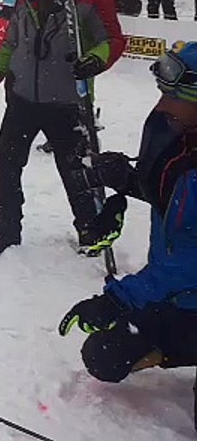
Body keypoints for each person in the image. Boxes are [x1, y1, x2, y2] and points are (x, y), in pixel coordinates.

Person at [0, 0, 125, 256]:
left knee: (76, 172)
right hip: (23, 99)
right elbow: (11, 45)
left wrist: (95, 60)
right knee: (6, 168)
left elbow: (112, 39)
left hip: (67, 101)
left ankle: (89, 230)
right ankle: (7, 229)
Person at [59, 41, 197, 394]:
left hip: (187, 284)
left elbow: (188, 263)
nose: (162, 107)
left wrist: (118, 299)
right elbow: (180, 206)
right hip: (184, 298)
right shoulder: (186, 142)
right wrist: (129, 183)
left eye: (174, 98)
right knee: (105, 354)